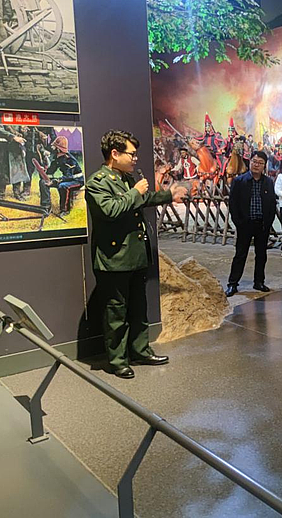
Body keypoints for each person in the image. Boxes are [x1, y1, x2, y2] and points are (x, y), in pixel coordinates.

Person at [85, 130, 186, 379]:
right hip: (114, 260)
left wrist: (168, 195)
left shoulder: (125, 179)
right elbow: (110, 209)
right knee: (116, 314)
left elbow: (144, 199)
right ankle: (118, 360)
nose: (135, 158)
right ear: (114, 153)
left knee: (139, 310)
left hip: (135, 256)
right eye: (131, 154)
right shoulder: (97, 182)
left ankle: (140, 351)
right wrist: (135, 192)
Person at [225, 150, 277, 296]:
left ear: (264, 166)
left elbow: (272, 203)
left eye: (260, 163)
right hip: (245, 224)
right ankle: (232, 284)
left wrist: (268, 222)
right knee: (240, 254)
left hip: (262, 224)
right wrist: (239, 222)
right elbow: (233, 204)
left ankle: (259, 282)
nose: (256, 165)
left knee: (261, 255)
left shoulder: (268, 182)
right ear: (250, 162)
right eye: (254, 161)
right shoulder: (239, 181)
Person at [38, 136, 84, 216]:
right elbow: (51, 170)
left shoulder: (69, 160)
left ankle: (65, 210)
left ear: (58, 149)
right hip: (67, 178)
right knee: (43, 182)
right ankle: (46, 206)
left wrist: (55, 181)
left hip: (77, 181)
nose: (52, 148)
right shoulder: (57, 157)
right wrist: (44, 170)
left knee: (63, 186)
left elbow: (69, 177)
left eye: (54, 146)